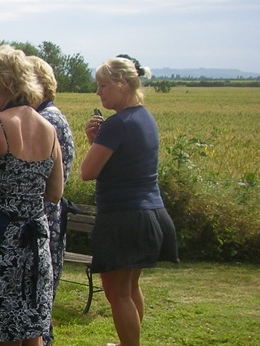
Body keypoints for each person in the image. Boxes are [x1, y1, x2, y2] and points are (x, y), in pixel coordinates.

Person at [0, 44, 63, 346]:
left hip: (1, 244)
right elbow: (55, 192)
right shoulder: (48, 128)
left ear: (3, 83)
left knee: (2, 333)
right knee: (32, 330)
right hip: (36, 244)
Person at [81, 55, 179, 346]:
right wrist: (96, 142)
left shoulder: (116, 124)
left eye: (103, 86)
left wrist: (96, 143)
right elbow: (123, 164)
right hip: (151, 212)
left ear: (122, 84)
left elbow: (88, 172)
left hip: (122, 216)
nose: (98, 92)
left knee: (117, 292)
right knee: (130, 286)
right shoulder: (145, 118)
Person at [26, 55, 76, 346]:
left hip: (44, 220)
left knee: (37, 310)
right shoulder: (51, 116)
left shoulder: (46, 120)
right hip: (48, 219)